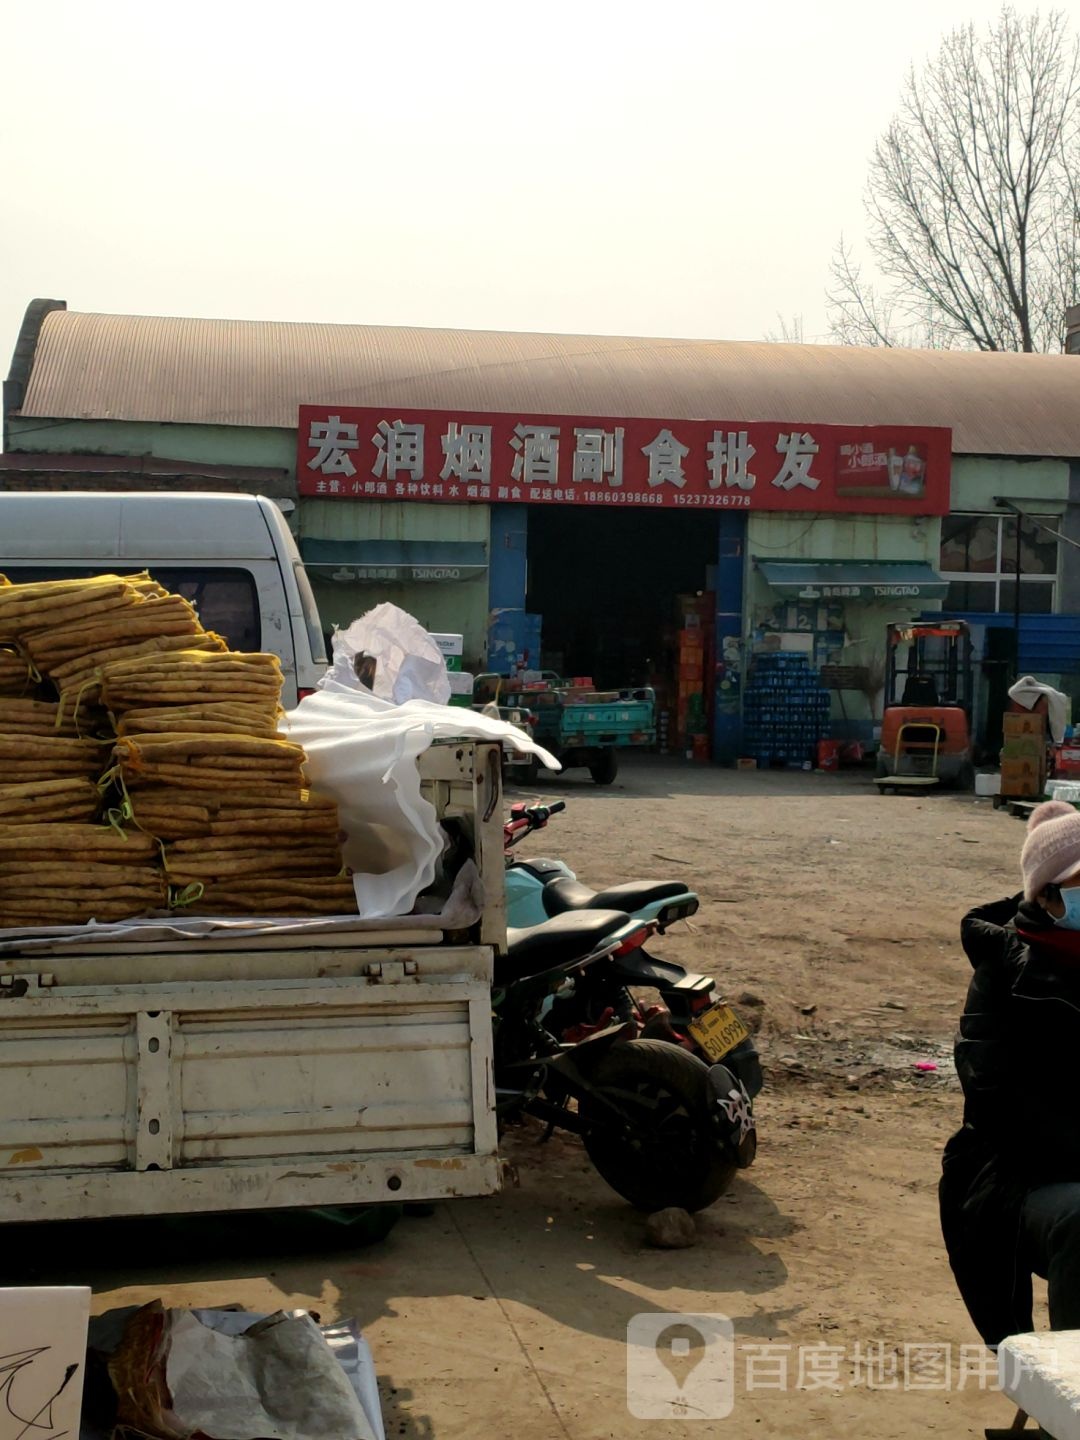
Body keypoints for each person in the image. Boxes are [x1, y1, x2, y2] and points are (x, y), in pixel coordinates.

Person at [941, 799, 1080, 1347]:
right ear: (1046, 896)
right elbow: (997, 1104)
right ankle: (1069, 1399)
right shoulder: (1006, 974)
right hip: (1016, 1179)